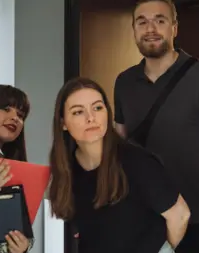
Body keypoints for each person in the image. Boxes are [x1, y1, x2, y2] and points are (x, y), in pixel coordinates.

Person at [113, 0, 199, 253]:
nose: (150, 29)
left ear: (174, 28)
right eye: (142, 22)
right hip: (140, 219)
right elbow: (117, 150)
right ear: (134, 29)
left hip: (197, 220)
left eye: (160, 20)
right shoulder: (124, 82)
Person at [47, 77, 191, 253]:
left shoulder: (137, 161)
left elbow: (180, 215)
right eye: (78, 112)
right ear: (63, 123)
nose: (91, 118)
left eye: (98, 108)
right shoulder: (67, 169)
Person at [0, 84, 34, 253]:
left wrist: (22, 247)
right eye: (6, 108)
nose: (15, 118)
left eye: (20, 115)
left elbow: (23, 231)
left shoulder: (15, 167)